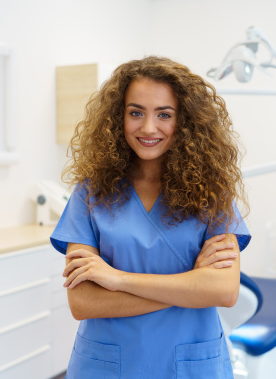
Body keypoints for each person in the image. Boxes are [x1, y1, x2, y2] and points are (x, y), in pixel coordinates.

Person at [50, 56, 251, 379]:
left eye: (164, 114)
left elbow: (224, 291)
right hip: (108, 364)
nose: (147, 127)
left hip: (189, 362)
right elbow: (84, 301)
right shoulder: (90, 193)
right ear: (118, 118)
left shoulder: (212, 193)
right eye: (135, 113)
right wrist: (189, 284)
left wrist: (118, 280)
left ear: (184, 121)